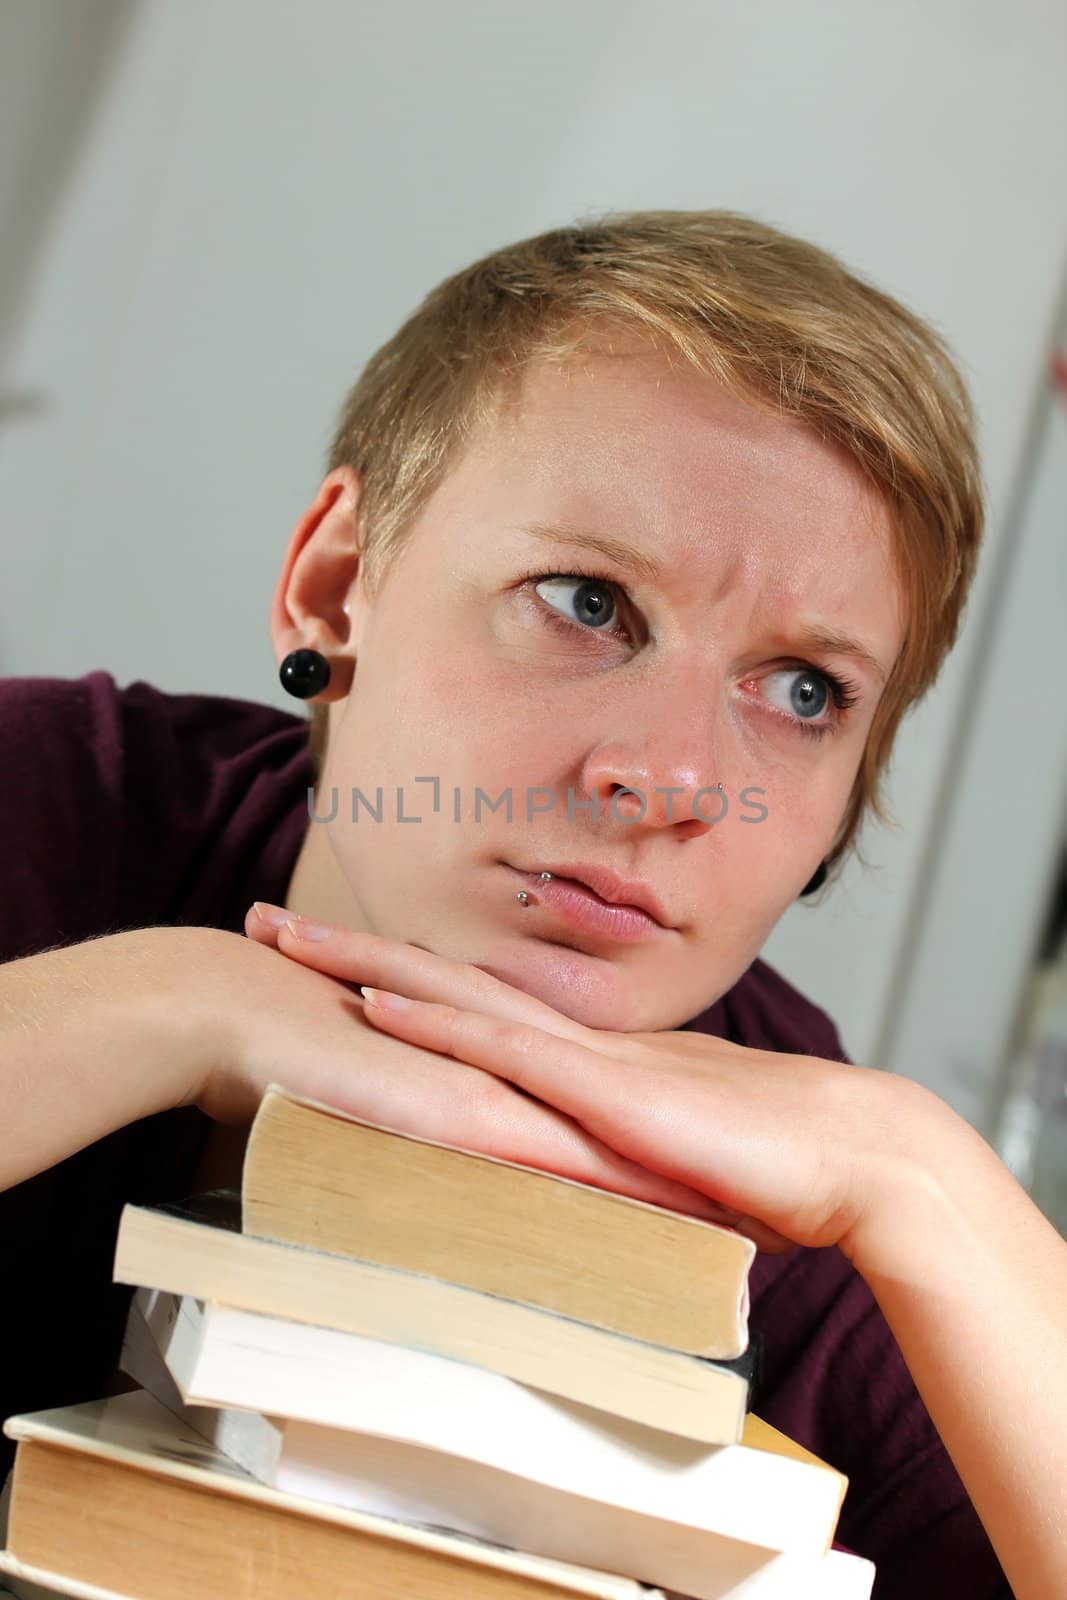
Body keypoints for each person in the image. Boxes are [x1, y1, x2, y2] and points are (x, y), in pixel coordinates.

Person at [2, 209, 1063, 1599]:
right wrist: (175, 1006)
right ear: (336, 589)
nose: (668, 778)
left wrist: (924, 1176)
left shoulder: (825, 1226)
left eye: (804, 691)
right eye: (587, 603)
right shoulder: (51, 799)